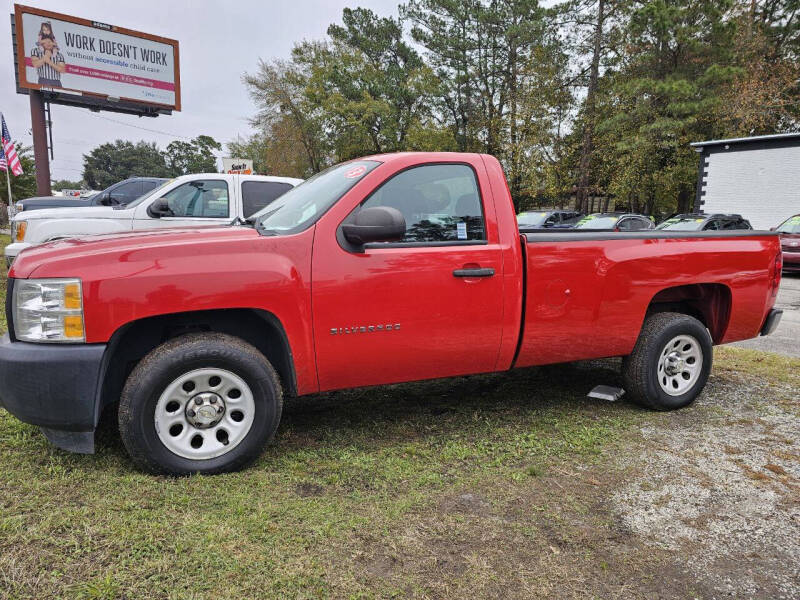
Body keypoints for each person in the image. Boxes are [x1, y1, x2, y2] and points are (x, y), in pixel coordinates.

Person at [30, 23, 65, 87]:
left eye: (49, 42)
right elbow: (35, 64)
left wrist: (49, 62)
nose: (47, 44)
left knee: (59, 97)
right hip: (43, 80)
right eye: (44, 42)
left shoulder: (59, 55)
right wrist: (44, 58)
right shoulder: (35, 51)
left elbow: (62, 70)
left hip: (56, 82)